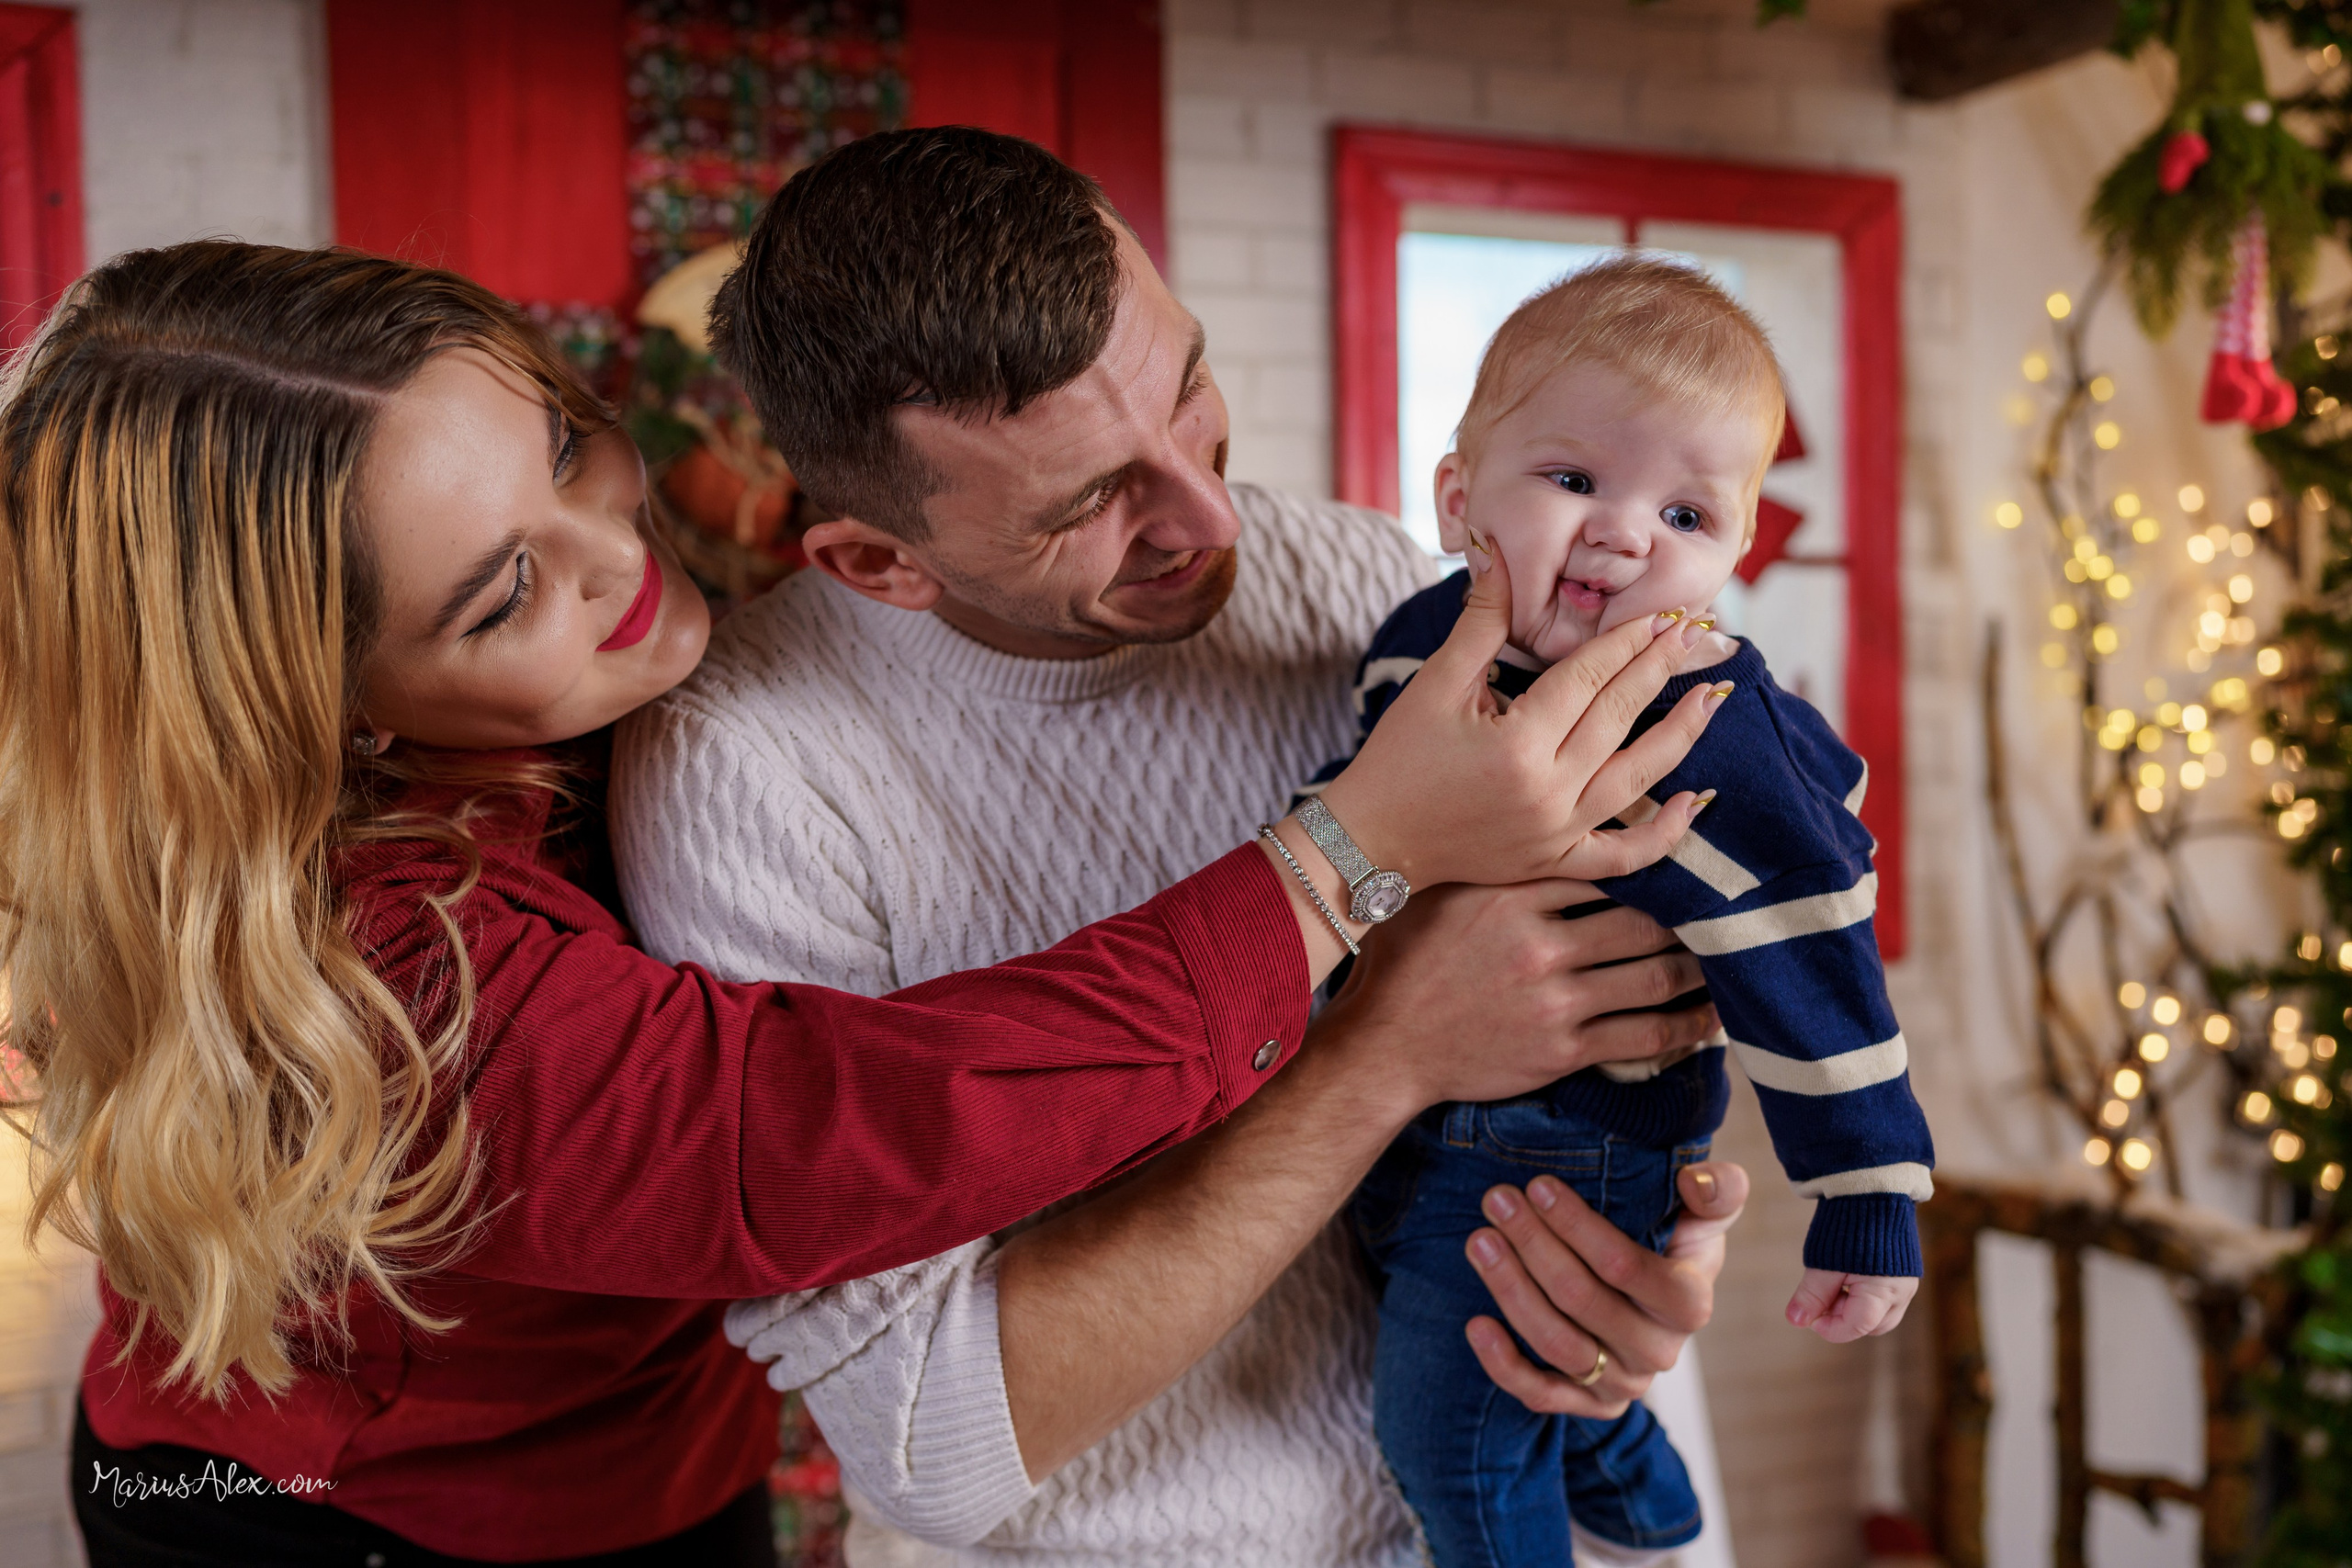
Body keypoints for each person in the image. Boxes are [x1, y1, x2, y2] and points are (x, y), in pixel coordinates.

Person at [0, 240, 1735, 1567]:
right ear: (330, 710)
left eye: (570, 445)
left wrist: (1600, 1204)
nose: (619, 553)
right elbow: (825, 1130)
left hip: (664, 1463)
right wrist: (1350, 878)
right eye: (503, 588)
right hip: (337, 1510)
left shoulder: (637, 701)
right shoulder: (390, 968)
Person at [614, 128, 1748, 1568]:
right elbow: (925, 1448)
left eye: (1192, 388)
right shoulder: (748, 770)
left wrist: (1645, 1253)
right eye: (1091, 501)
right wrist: (1387, 1049)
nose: (1210, 516)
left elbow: (1579, 1008)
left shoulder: (1361, 580)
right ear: (875, 561)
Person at [1322, 256, 1935, 1567]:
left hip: (1573, 1150)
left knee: (1448, 1436)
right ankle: (1640, 1490)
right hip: (1404, 1122)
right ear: (1455, 500)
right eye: (1574, 480)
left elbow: (1815, 957)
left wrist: (1866, 1193)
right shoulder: (1412, 644)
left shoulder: (1714, 728)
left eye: (1688, 514)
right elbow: (1351, 814)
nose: (1623, 534)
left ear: (1733, 555)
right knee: (1458, 1329)